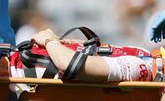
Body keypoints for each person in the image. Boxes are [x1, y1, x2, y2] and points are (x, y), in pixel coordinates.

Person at [29, 28, 157, 82]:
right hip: (27, 57)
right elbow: (98, 50)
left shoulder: (141, 67)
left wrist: (49, 41)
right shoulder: (145, 55)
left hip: (18, 69)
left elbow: (72, 65)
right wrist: (64, 42)